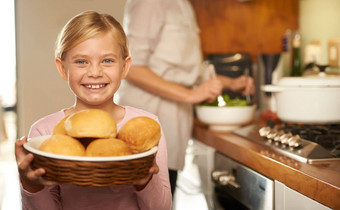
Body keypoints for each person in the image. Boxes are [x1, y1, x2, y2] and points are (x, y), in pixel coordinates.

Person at [15, 10, 172, 210]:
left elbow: (162, 208)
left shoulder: (146, 127)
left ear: (125, 67)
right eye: (81, 61)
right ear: (62, 68)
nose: (95, 72)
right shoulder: (45, 132)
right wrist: (30, 184)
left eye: (107, 60)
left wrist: (144, 180)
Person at [118, 0, 255, 196]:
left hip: (174, 129)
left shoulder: (184, 5)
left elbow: (188, 72)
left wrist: (231, 83)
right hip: (144, 127)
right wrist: (190, 95)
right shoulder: (149, 3)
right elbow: (131, 67)